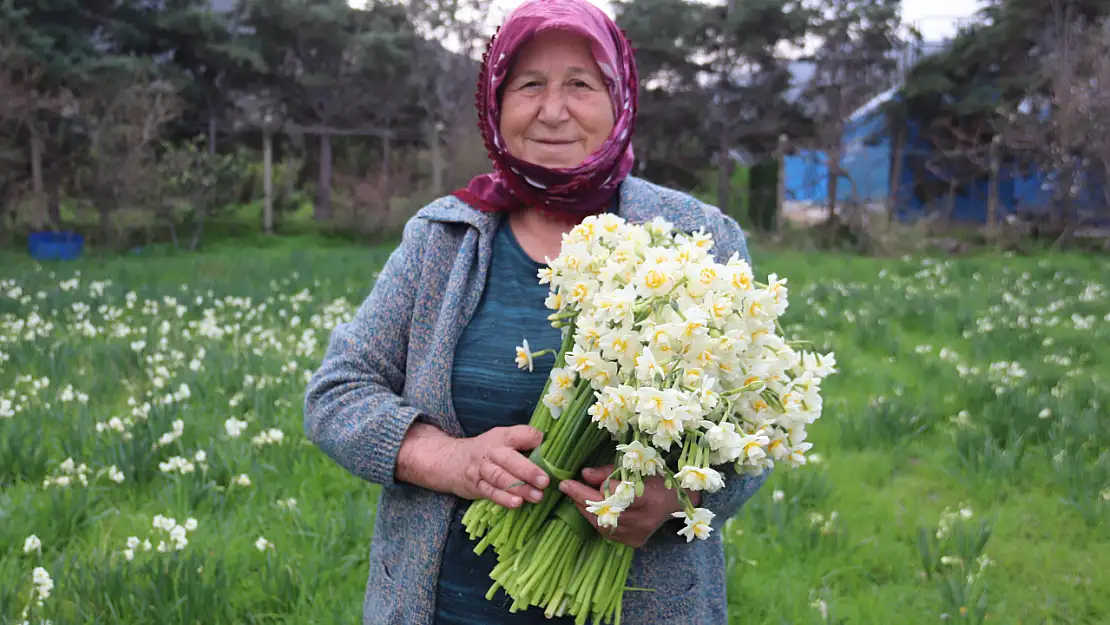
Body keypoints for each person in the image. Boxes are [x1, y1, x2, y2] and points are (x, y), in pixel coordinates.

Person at [303, 0, 770, 623]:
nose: (553, 111)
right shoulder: (443, 239)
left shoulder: (696, 238)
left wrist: (674, 497)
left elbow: (752, 429)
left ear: (620, 100)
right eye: (529, 86)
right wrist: (448, 460)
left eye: (580, 84)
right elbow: (337, 393)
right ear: (496, 105)